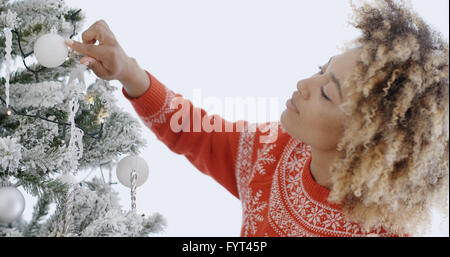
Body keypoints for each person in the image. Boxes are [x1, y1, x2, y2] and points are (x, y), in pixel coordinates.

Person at [65, 0, 449, 237]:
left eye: (328, 92)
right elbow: (199, 134)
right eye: (320, 69)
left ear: (368, 142)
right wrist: (129, 72)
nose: (303, 83)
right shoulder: (276, 152)